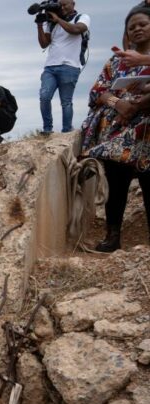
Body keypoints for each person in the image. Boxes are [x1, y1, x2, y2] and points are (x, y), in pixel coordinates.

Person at [81, 7, 150, 252]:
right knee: (116, 183)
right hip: (119, 132)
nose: (137, 29)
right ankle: (112, 236)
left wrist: (140, 104)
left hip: (147, 132)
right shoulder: (117, 61)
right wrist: (118, 104)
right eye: (132, 27)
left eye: (143, 24)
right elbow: (98, 91)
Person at [36, 0, 90, 135]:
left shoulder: (82, 17)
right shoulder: (52, 23)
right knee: (44, 97)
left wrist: (58, 19)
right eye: (60, 5)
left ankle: (66, 131)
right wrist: (39, 26)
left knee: (66, 102)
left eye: (65, 4)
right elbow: (44, 44)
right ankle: (47, 129)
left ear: (73, 3)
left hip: (70, 66)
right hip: (50, 66)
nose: (62, 7)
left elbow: (76, 30)